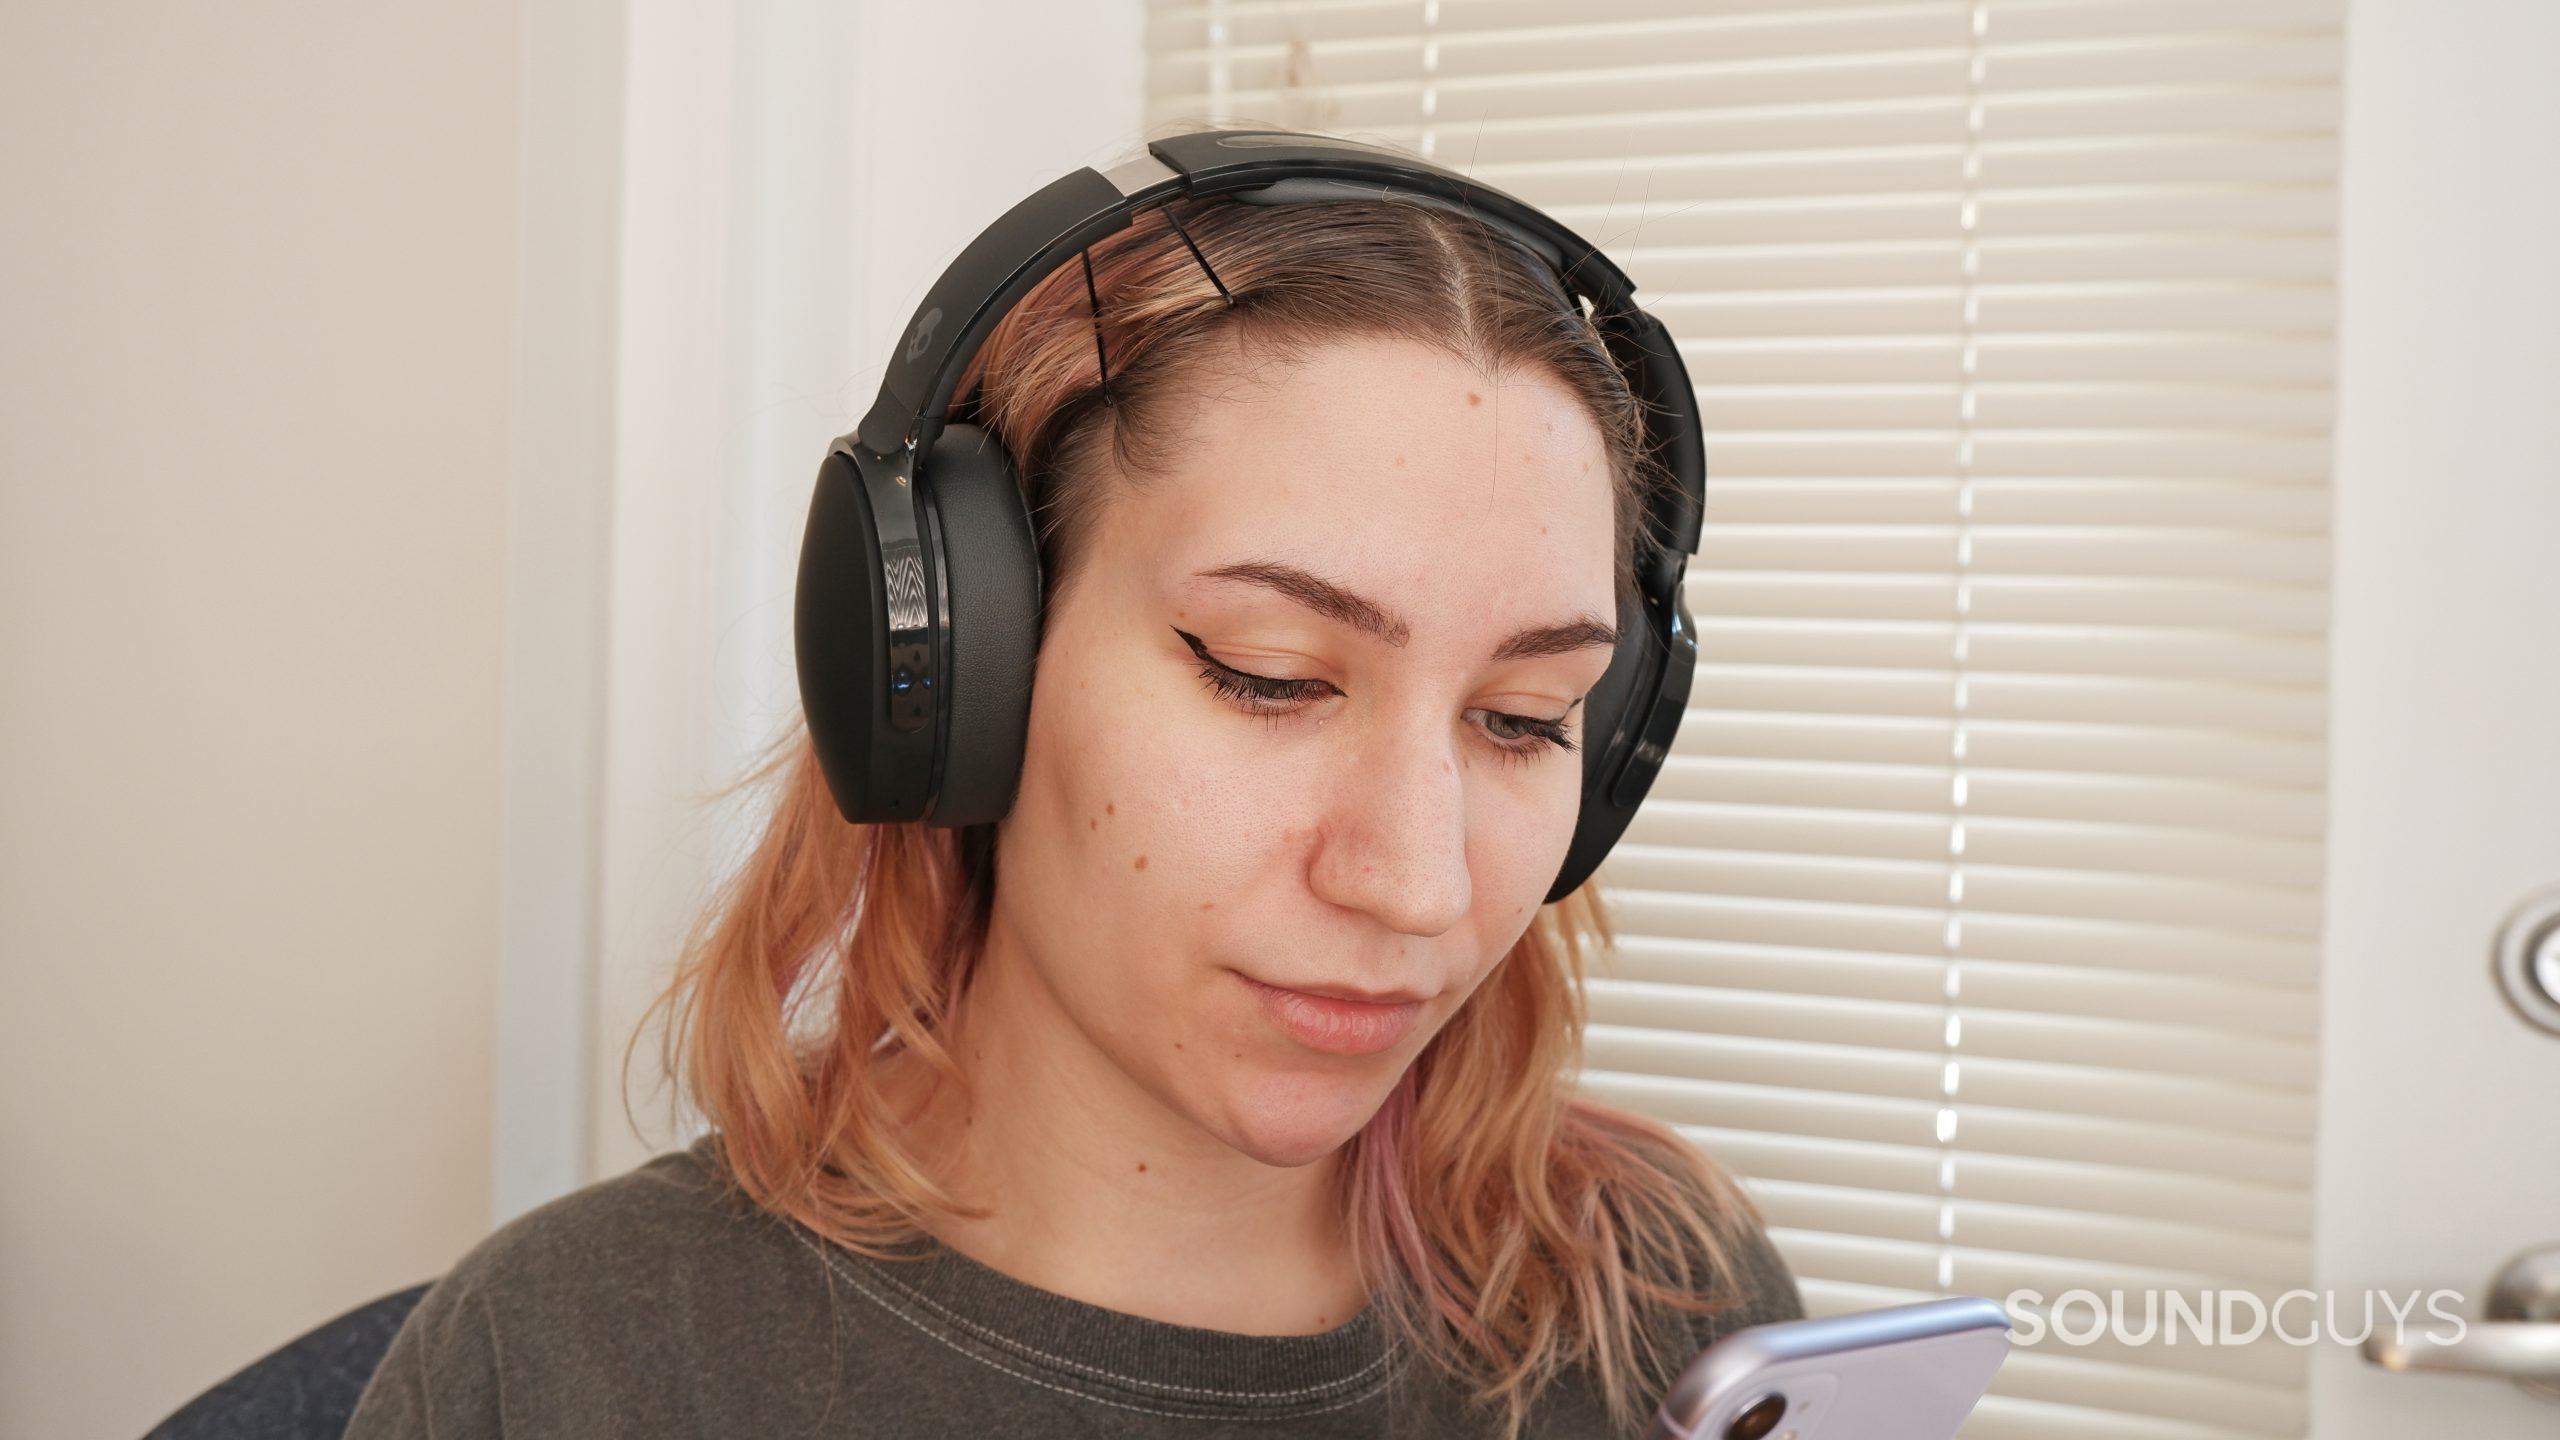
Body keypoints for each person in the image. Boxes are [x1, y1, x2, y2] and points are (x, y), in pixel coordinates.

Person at [346, 133, 1804, 1440]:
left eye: (1522, 717)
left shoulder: (1670, 1311)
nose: (1415, 883)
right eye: (1268, 673)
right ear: (963, 672)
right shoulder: (560, 1368)